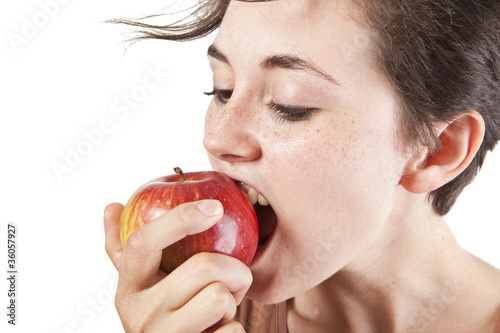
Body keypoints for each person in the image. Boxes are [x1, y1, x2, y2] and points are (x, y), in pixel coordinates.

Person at [103, 0, 500, 331]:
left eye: (289, 105)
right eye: (222, 90)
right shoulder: (194, 317)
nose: (217, 139)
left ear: (436, 150)